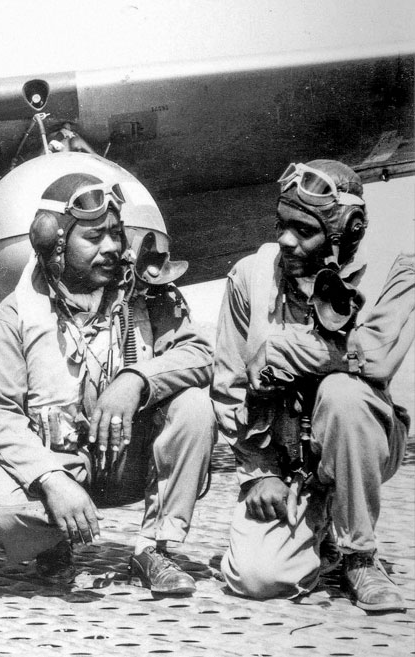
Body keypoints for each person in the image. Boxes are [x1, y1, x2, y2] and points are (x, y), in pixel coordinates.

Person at [0, 168, 215, 596]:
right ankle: (52, 544)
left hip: (127, 458)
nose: (112, 247)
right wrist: (51, 480)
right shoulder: (14, 317)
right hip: (58, 463)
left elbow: (199, 355)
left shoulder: (145, 294)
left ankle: (155, 548)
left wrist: (136, 379)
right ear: (56, 247)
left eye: (116, 234)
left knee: (193, 406)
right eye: (94, 237)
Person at [213, 159, 410, 612]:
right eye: (282, 225)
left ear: (346, 234)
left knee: (344, 394)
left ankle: (359, 555)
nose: (286, 239)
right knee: (257, 580)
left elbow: (375, 357)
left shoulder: (393, 272)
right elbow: (228, 385)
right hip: (283, 457)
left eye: (304, 231)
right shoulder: (251, 276)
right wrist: (259, 473)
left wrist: (279, 352)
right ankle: (318, 539)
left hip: (361, 437)